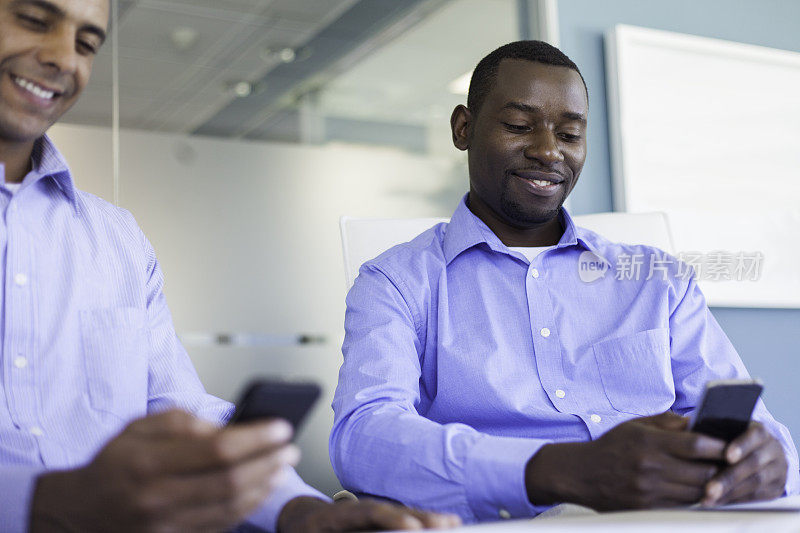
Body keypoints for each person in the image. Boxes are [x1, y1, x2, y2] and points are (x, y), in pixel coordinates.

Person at [0, 0, 462, 531]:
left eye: (86, 43)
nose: (63, 57)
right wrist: (57, 500)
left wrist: (302, 512)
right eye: (34, 20)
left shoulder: (116, 238)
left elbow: (177, 407)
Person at [330, 40, 799, 523]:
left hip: (671, 519)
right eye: (518, 126)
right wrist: (559, 470)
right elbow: (363, 436)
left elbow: (756, 427)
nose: (548, 151)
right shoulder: (397, 281)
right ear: (463, 128)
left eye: (570, 134)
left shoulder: (658, 280)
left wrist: (770, 461)